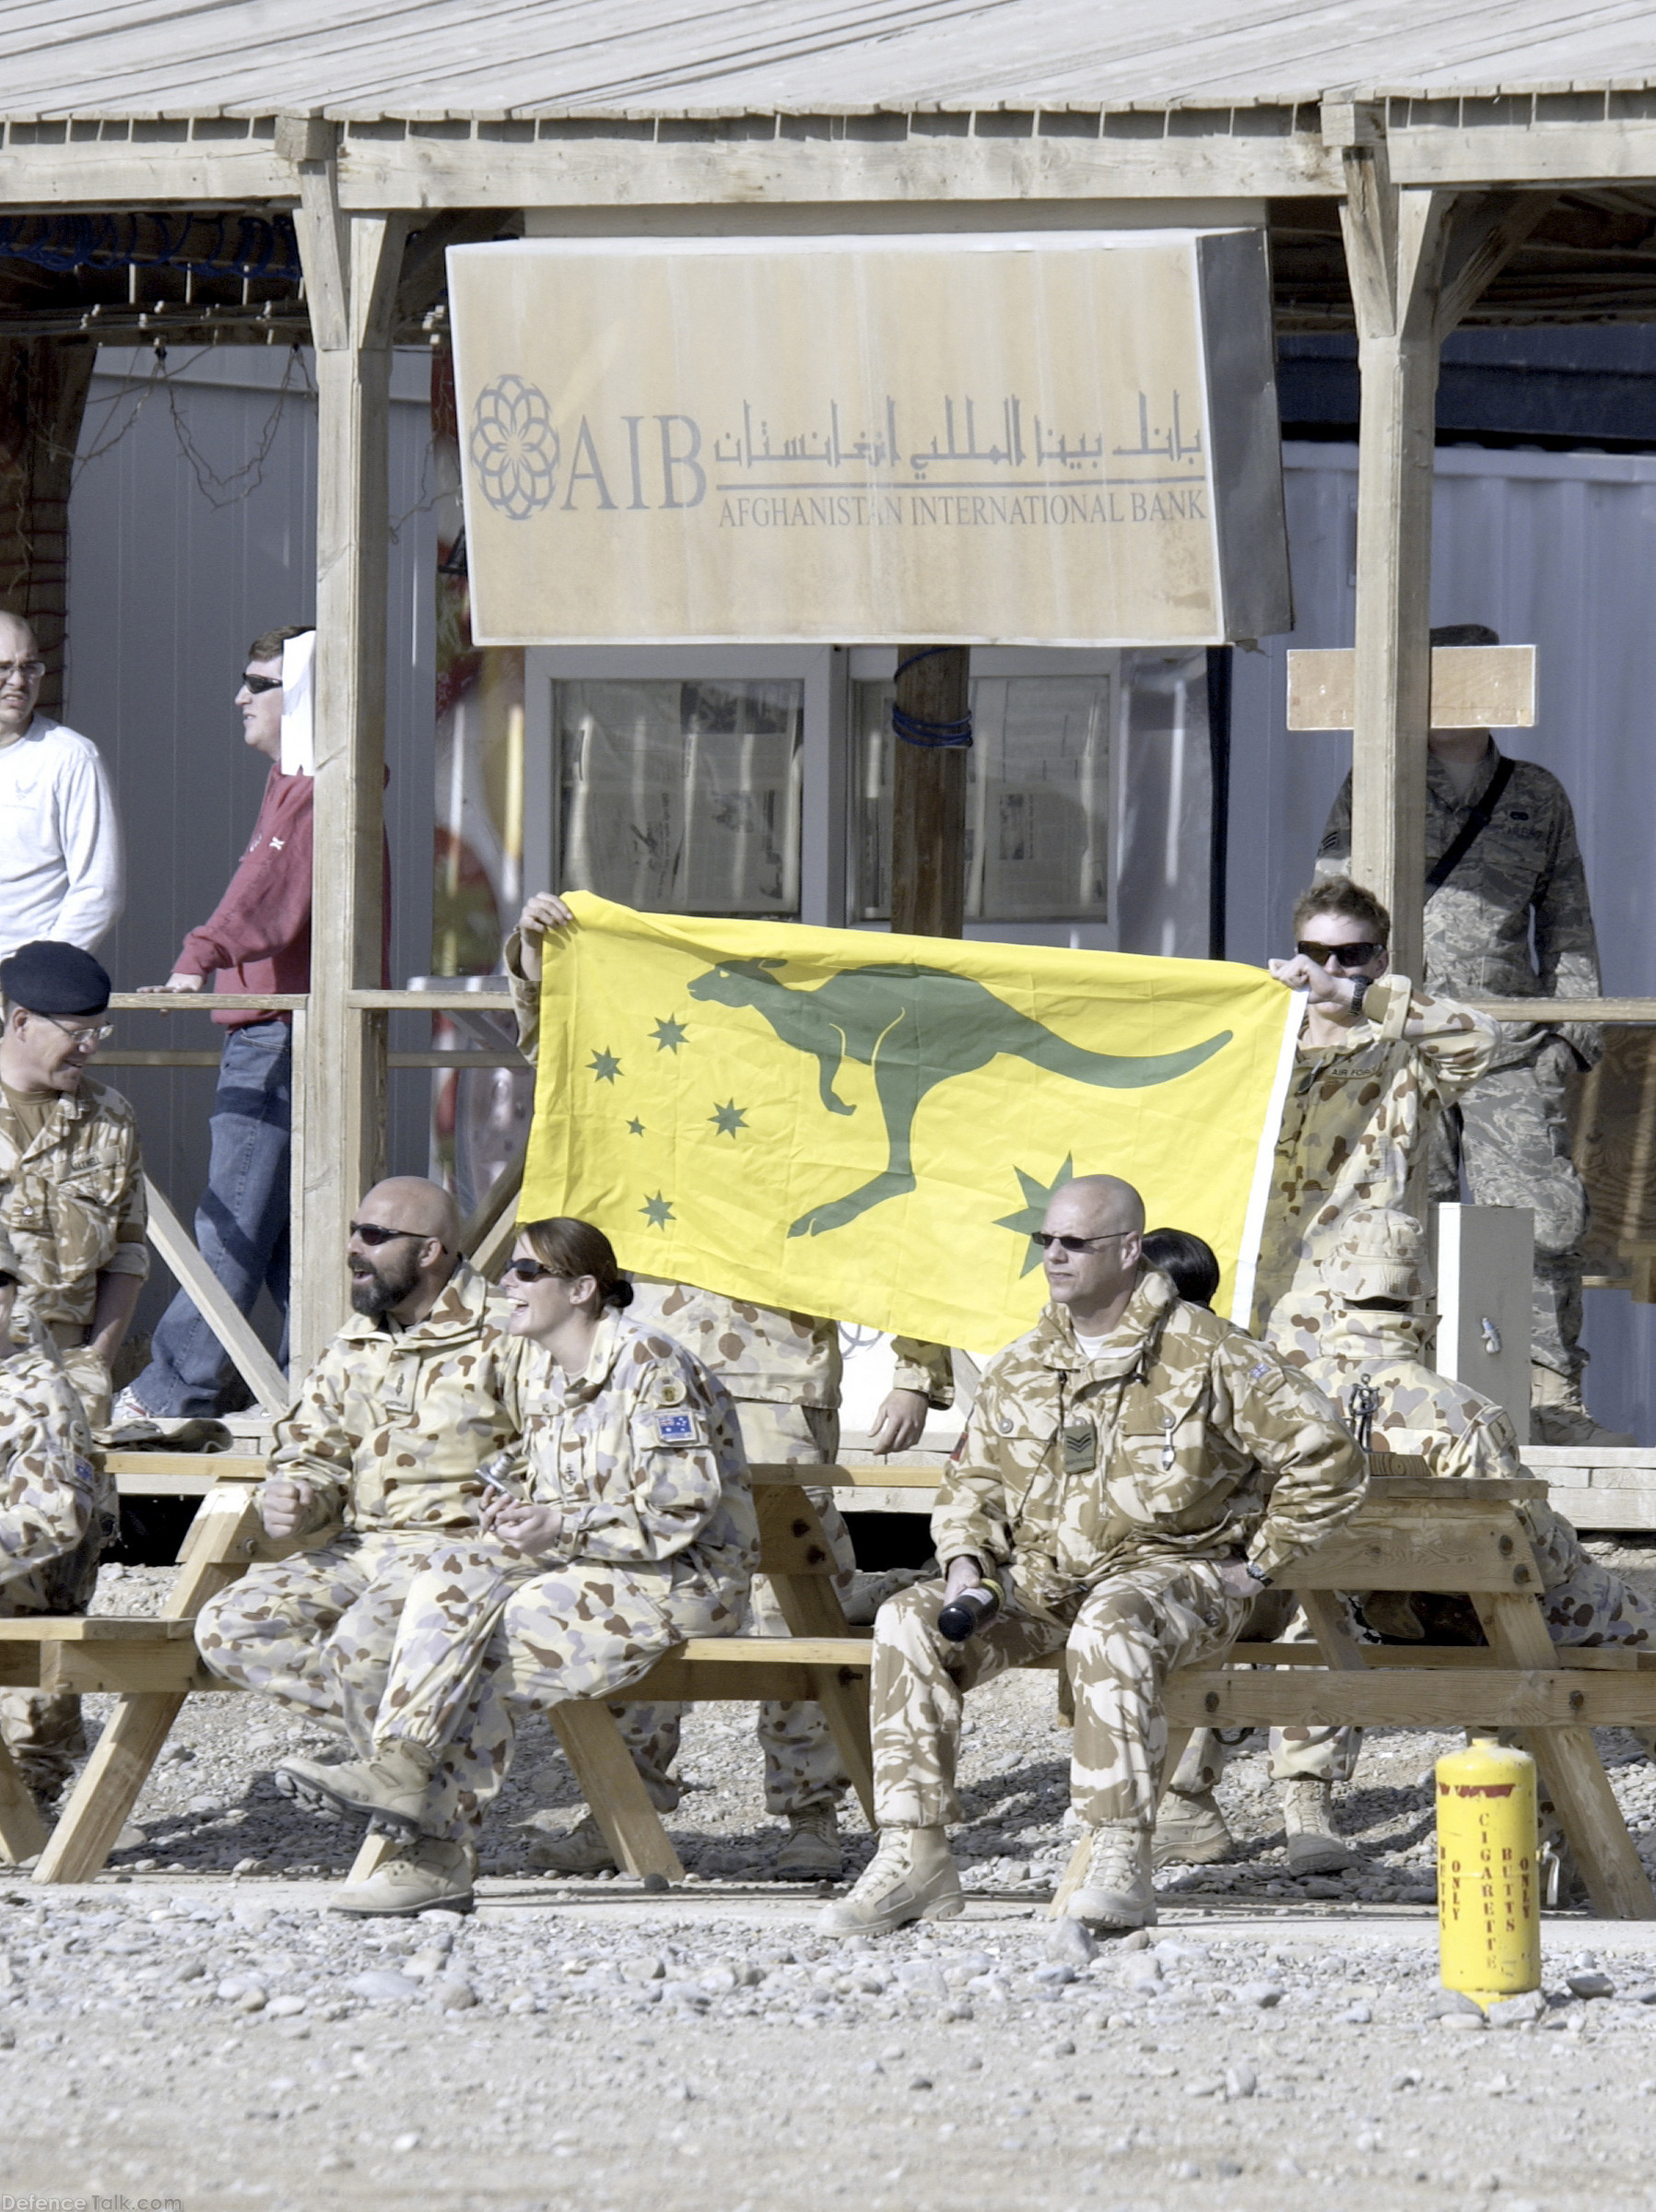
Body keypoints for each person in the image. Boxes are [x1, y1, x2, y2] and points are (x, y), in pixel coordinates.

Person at [505, 891, 951, 1881]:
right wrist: (546, 962)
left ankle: (813, 1813)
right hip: (652, 1362)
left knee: (803, 1601)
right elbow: (568, 1068)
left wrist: (918, 1367)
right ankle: (626, 1801)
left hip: (779, 1376)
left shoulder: (825, 1094)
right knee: (639, 1577)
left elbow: (911, 1213)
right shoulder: (671, 1077)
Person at [821, 1172, 1365, 1937]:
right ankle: (915, 1856)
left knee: (1113, 1618)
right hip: (1044, 1581)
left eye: (1074, 1243)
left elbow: (1327, 1456)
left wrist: (1259, 1566)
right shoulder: (1025, 1362)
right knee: (907, 1621)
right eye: (1047, 1241)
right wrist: (965, 1561)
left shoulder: (1207, 1353)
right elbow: (973, 1479)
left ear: (1126, 1249)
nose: (1054, 1257)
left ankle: (1119, 1854)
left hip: (1175, 1582)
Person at [273, 1216, 758, 1918]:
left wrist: (562, 1522)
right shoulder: (542, 1371)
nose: (506, 1284)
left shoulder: (649, 1365)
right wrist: (513, 1505)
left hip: (682, 1581)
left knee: (489, 1648)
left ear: (584, 1289)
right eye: (508, 1269)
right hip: (585, 1565)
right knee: (405, 1603)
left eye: (527, 1272)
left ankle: (436, 1853)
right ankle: (401, 1769)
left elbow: (677, 1509)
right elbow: (536, 1472)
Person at [1163, 1208, 1656, 1877]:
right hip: (1479, 1623)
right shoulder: (1465, 1414)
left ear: (1334, 1302)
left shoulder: (1279, 1406)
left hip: (1352, 1619)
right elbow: (1532, 1558)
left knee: (1298, 1618)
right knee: (1620, 1624)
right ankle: (1539, 1853)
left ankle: (1272, 1810)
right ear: (1425, 1310)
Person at [193, 1177, 528, 1914]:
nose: (353, 1248)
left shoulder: (508, 1332)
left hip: (460, 1556)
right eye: (355, 1231)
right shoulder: (359, 1338)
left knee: (360, 1647)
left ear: (432, 1252)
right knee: (230, 1626)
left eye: (374, 1237)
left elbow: (555, 1454)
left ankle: (433, 1852)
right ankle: (412, 1763)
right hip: (365, 1546)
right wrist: (298, 1494)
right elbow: (314, 1449)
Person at [1316, 626, 1615, 1444]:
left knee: (1538, 1216)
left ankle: (1549, 1392)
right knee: (1409, 1210)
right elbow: (1332, 901)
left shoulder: (1534, 794)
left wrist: (1567, 1033)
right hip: (1404, 1035)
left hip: (1506, 1038)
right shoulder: (1375, 786)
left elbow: (1566, 916)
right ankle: (1421, 1393)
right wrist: (1342, 1009)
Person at [115, 625, 317, 1422]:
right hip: (283, 1031)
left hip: (274, 1032)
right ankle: (314, 1382)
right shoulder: (302, 785)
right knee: (281, 1235)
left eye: (257, 682)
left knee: (231, 1221)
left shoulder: (306, 789)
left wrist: (198, 954)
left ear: (299, 694)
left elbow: (269, 888)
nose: (239, 698)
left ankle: (173, 1389)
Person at [1257, 876, 1498, 1347]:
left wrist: (1350, 995)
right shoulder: (1263, 1042)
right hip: (1254, 1292)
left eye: (1351, 955)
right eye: (1315, 952)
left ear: (1381, 961)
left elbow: (1480, 1037)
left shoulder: (1401, 1054)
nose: (1331, 967)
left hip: (1352, 1310)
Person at [0, 941, 147, 1430]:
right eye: (78, 1033)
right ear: (22, 1022)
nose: (92, 1046)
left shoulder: (111, 1117)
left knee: (71, 1509)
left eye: (99, 1030)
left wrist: (96, 1363)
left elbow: (128, 1251)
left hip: (69, 1384)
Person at [0, 1219, 113, 1810]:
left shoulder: (36, 1393)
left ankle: (28, 1797)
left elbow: (52, 1519)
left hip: (25, 1589)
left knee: (26, 1779)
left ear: (12, 1296)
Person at [0, 611, 123, 959]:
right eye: (4, 667)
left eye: (29, 667)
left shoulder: (70, 757)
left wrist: (42, 974)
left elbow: (100, 889)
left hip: (21, 985)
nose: (18, 681)